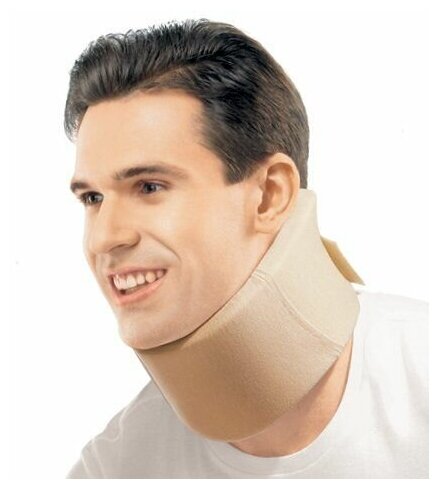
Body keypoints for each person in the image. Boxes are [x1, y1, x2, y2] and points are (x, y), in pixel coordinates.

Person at [64, 19, 428, 478]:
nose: (104, 238)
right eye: (92, 198)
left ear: (269, 195)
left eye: (150, 186)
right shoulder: (115, 469)